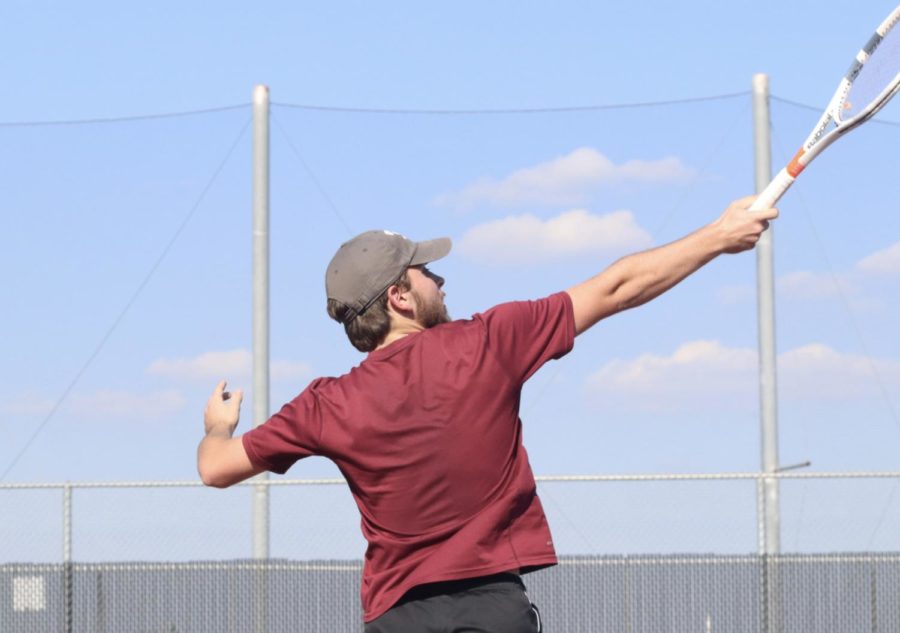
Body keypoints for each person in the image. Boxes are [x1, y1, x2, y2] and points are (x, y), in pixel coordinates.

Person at [198, 196, 777, 632]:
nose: (440, 281)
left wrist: (218, 427)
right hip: (493, 608)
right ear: (400, 297)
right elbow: (617, 288)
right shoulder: (486, 342)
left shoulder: (326, 405)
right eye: (426, 274)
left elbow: (216, 469)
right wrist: (720, 235)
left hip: (398, 617)